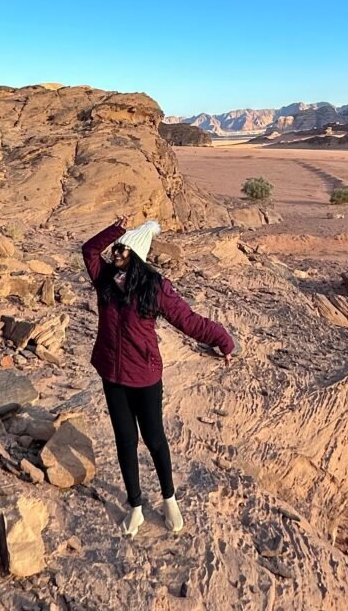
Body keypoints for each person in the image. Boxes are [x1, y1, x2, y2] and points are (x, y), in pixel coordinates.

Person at [81, 215, 235, 538]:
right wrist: (115, 230)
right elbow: (89, 251)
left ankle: (169, 499)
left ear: (136, 256)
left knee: (154, 440)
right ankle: (135, 506)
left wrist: (222, 340)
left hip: (146, 379)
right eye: (116, 249)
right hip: (112, 376)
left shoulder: (155, 287)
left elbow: (189, 321)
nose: (115, 254)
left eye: (122, 250)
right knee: (125, 441)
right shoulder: (105, 279)